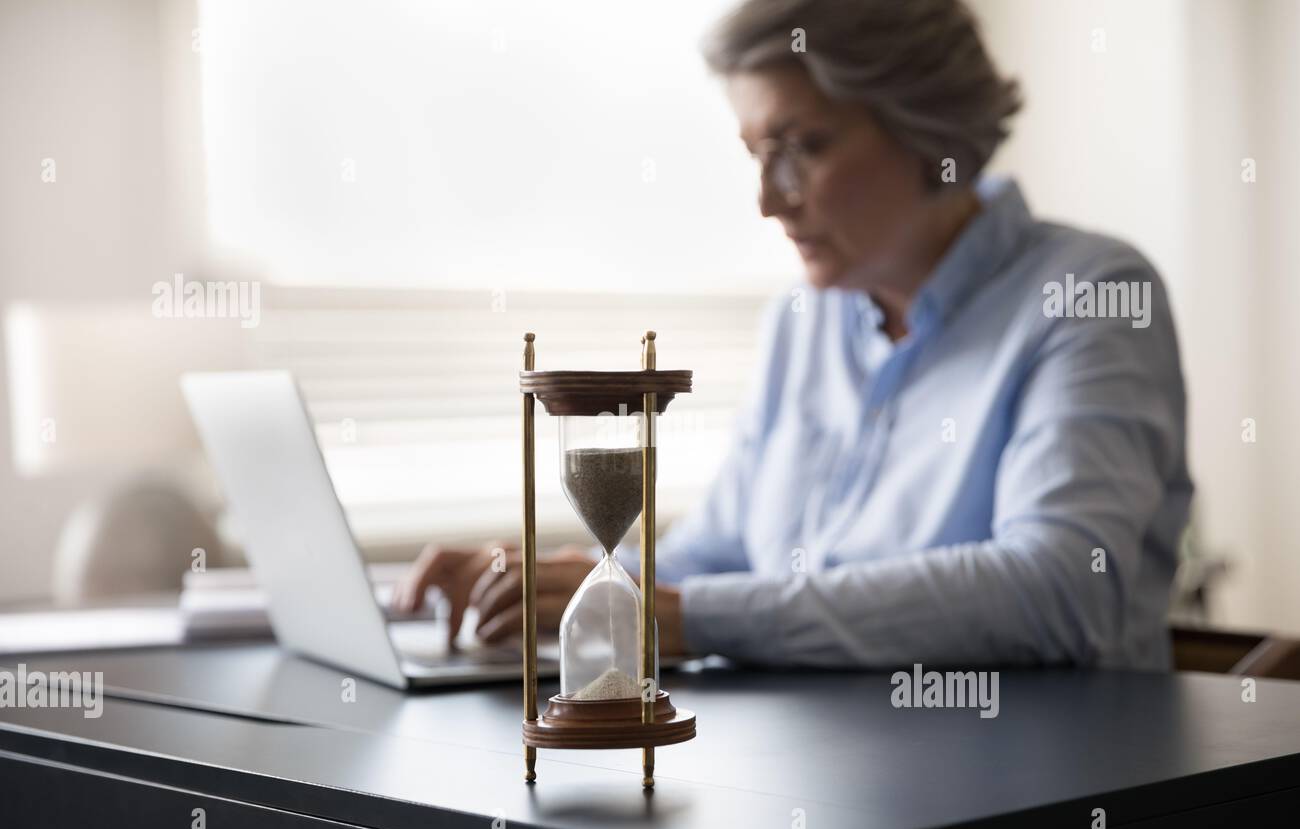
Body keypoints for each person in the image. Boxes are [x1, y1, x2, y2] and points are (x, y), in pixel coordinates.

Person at [392, 0, 1192, 670]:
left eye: (802, 147)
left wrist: (686, 618)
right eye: (754, 153)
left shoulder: (1090, 297)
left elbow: (1057, 590)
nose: (769, 203)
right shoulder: (803, 323)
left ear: (930, 129)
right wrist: (567, 584)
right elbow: (725, 547)